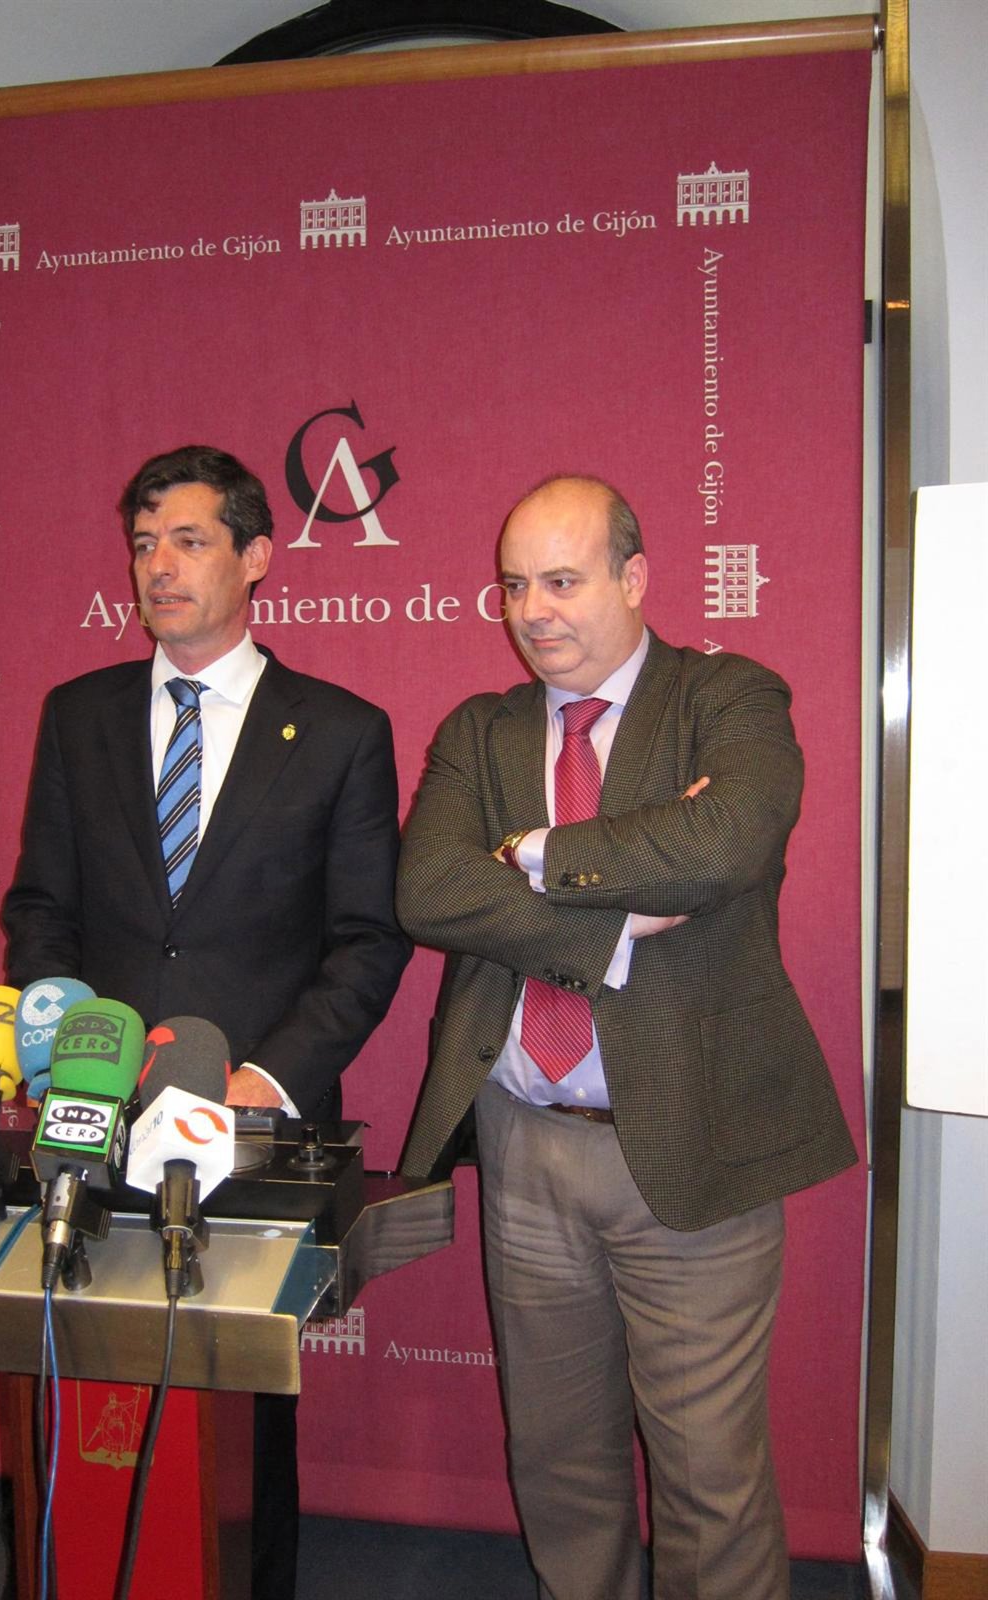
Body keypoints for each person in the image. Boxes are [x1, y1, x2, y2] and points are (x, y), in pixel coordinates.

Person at [396, 475, 856, 1600]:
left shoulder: (729, 697)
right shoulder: (481, 730)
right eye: (514, 586)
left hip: (688, 1141)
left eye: (562, 580)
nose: (533, 611)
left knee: (708, 1476)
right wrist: (610, 924)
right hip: (523, 1139)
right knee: (559, 1460)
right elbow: (428, 891)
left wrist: (534, 855)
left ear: (636, 578)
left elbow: (725, 843)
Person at [3, 444, 411, 1600]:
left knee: (236, 1424)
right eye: (144, 544)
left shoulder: (338, 730)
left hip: (253, 1128)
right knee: (79, 1387)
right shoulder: (78, 716)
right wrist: (71, 1047)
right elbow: (40, 910)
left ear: (258, 556)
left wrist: (265, 1080)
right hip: (94, 1110)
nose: (159, 567)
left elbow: (366, 940)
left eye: (188, 541)